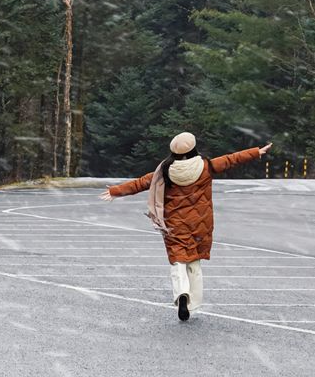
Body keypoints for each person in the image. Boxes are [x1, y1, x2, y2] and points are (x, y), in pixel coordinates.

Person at [100, 132, 272, 321]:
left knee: (178, 261)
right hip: (200, 224)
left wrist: (115, 191)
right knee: (194, 264)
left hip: (175, 225)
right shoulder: (206, 166)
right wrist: (256, 152)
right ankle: (193, 303)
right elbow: (232, 159)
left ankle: (181, 293)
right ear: (193, 149)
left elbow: (141, 183)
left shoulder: (164, 171)